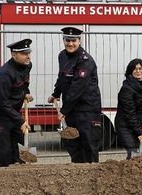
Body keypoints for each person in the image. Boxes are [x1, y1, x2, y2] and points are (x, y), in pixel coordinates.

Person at [47, 27, 102, 163]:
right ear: (63, 40)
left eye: (73, 40)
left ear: (79, 41)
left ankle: (91, 174)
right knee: (72, 144)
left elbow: (77, 87)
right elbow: (61, 77)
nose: (70, 44)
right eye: (67, 40)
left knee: (88, 144)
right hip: (72, 109)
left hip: (87, 109)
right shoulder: (62, 55)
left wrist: (64, 110)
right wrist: (55, 93)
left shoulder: (85, 60)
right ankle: (77, 174)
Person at [0, 39, 34, 167]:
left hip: (12, 114)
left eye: (29, 52)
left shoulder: (27, 65)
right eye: (24, 53)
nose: (28, 56)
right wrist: (21, 121)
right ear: (14, 55)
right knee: (3, 152)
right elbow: (3, 102)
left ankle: (16, 182)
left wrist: (26, 93)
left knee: (17, 151)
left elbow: (24, 83)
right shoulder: (5, 74)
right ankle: (1, 182)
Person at [115, 58, 142, 159]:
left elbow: (141, 103)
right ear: (130, 72)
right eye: (135, 69)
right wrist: (140, 132)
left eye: (140, 68)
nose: (138, 71)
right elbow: (129, 113)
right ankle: (130, 173)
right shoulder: (126, 89)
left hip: (139, 123)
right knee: (134, 152)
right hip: (126, 126)